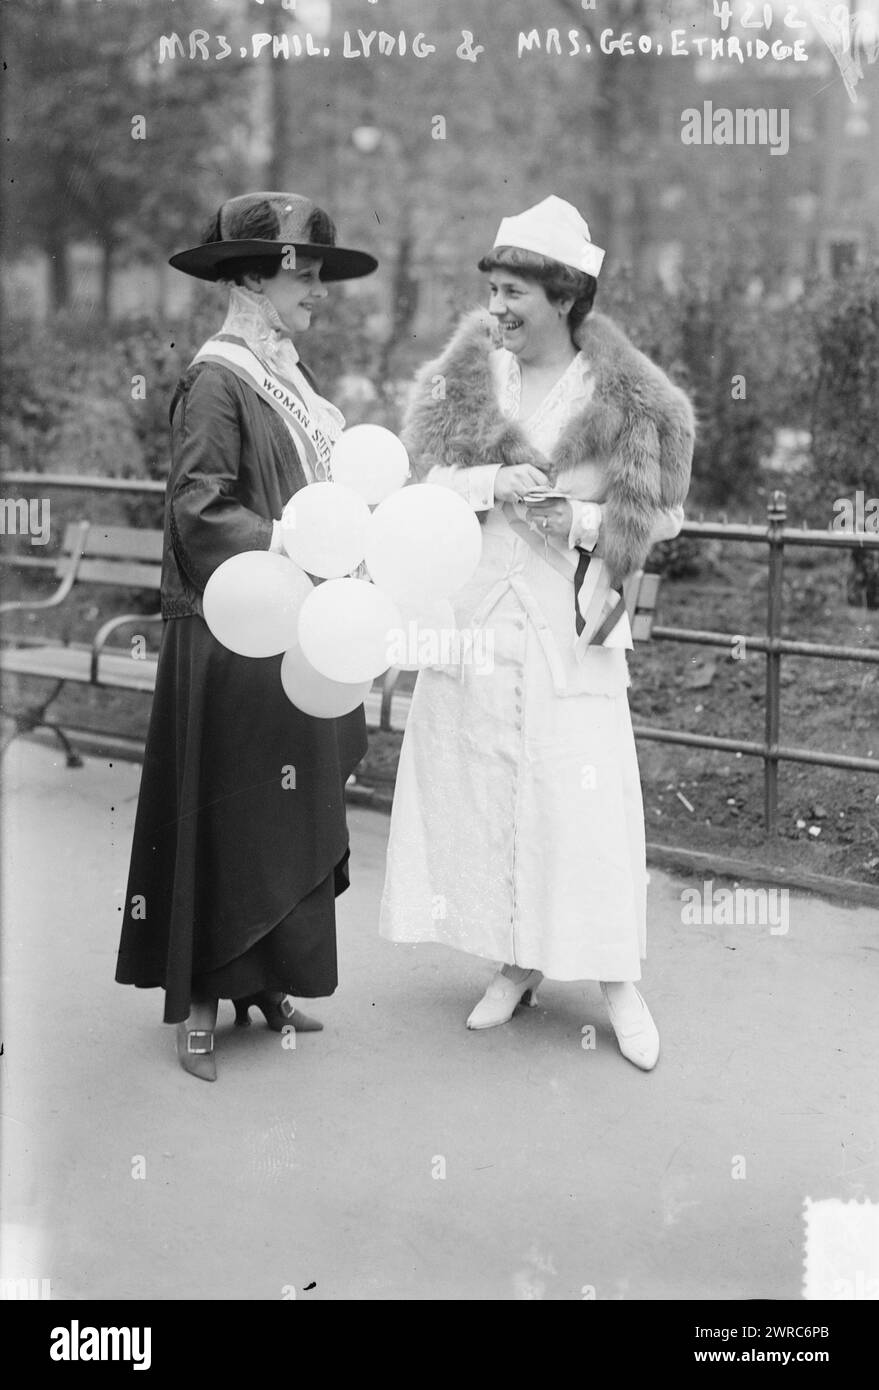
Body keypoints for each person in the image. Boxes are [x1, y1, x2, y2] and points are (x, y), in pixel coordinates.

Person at [379, 196, 694, 1070]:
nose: (497, 309)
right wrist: (490, 483)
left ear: (564, 296)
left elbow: (663, 516)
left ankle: (616, 982)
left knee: (579, 802)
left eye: (514, 290)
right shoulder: (468, 382)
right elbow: (424, 490)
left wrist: (580, 521)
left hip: (569, 625)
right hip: (477, 623)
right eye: (492, 288)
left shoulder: (626, 398)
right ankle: (514, 959)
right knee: (483, 790)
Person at [115, 192, 378, 1080]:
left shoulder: (290, 379)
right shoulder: (217, 378)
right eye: (307, 275)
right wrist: (300, 546)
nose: (319, 293)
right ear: (255, 278)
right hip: (228, 634)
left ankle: (265, 981)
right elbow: (199, 510)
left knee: (282, 812)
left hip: (287, 629)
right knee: (226, 815)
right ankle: (198, 994)